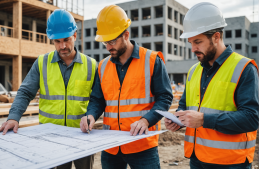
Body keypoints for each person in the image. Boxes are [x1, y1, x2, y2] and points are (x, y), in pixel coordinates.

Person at [0, 9, 97, 169]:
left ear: (75, 35)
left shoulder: (91, 65)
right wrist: (14, 117)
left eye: (66, 40)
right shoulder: (42, 63)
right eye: (57, 41)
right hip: (50, 137)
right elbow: (25, 92)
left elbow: (97, 98)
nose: (62, 46)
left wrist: (90, 116)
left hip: (82, 135)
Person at [164, 2, 259, 169]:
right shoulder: (194, 71)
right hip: (197, 158)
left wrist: (204, 120)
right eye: (191, 42)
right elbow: (185, 105)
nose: (193, 48)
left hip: (230, 162)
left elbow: (251, 118)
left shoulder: (244, 68)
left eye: (198, 42)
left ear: (216, 37)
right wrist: (178, 119)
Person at [79, 5, 173, 169]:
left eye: (112, 41)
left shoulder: (151, 60)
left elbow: (164, 98)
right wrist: (91, 115)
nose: (108, 47)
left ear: (126, 35)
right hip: (111, 146)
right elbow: (97, 99)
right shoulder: (102, 66)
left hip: (142, 144)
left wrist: (146, 120)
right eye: (105, 42)